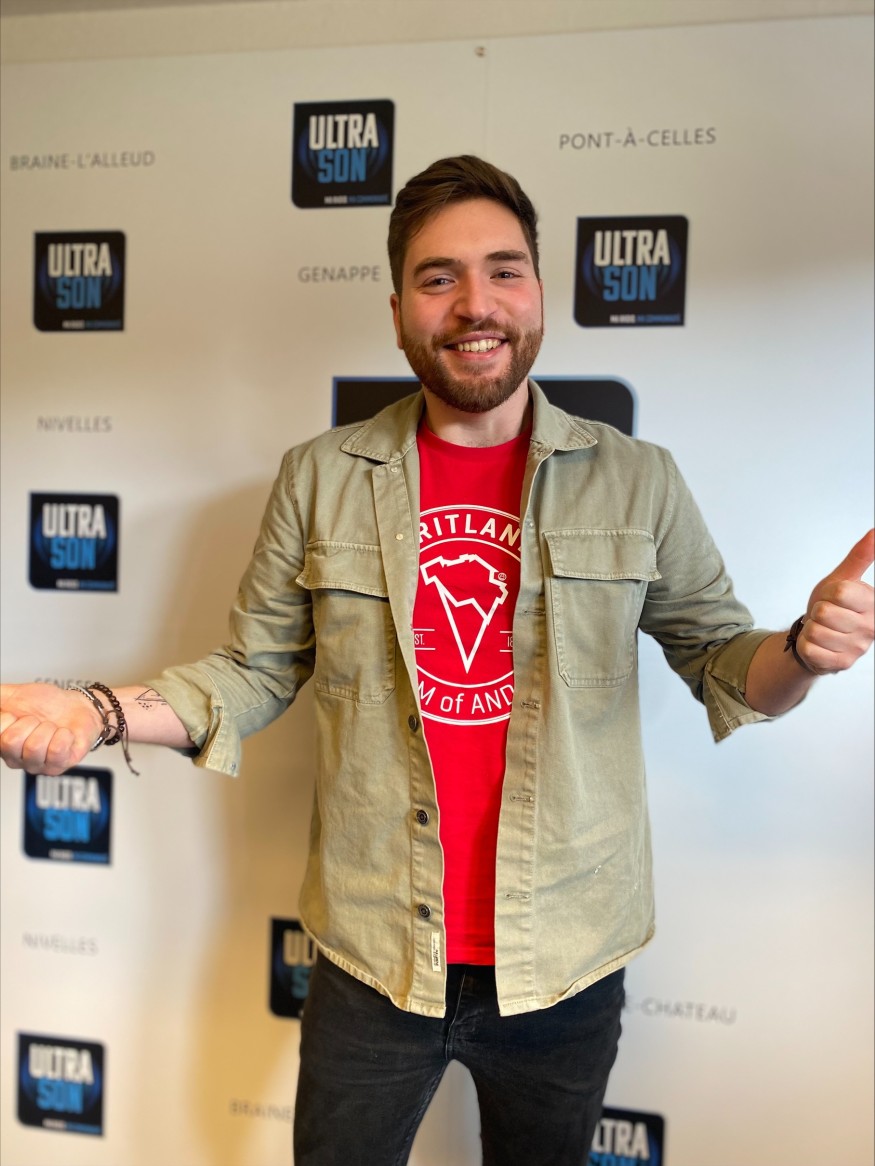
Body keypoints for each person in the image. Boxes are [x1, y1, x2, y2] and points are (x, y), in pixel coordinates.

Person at [1, 156, 873, 1165]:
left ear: (538, 290)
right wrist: (99, 710)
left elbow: (723, 661)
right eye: (437, 277)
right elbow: (252, 670)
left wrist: (801, 653)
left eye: (503, 270)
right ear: (397, 311)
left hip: (565, 964)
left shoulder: (637, 479)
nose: (474, 304)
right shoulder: (319, 477)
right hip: (372, 957)